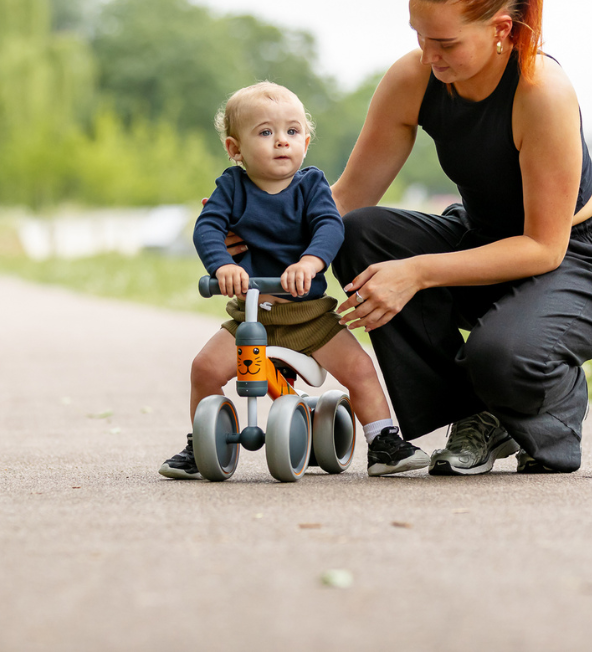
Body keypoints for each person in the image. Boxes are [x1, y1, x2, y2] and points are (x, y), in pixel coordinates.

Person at [329, 0, 592, 475]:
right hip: (484, 238)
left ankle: (538, 397)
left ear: (502, 28)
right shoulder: (413, 77)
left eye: (446, 42)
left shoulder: (540, 92)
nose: (429, 54)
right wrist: (270, 242)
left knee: (500, 355)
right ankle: (475, 413)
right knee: (360, 235)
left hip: (584, 259)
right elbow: (349, 200)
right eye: (418, 35)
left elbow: (545, 248)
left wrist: (418, 272)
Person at [159, 82, 430, 479]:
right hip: (254, 316)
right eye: (265, 132)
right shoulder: (231, 188)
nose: (281, 141)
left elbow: (329, 225)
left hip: (309, 317)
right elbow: (208, 228)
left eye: (291, 131)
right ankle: (202, 441)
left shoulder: (311, 186)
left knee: (359, 369)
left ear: (305, 141)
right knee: (204, 368)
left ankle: (384, 440)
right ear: (236, 149)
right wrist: (222, 267)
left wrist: (310, 262)